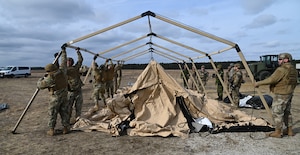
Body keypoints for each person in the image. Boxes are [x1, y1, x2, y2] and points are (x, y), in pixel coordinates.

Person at [255, 53, 298, 138]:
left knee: (277, 112)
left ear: (286, 60)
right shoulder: (293, 69)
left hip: (281, 94)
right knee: (287, 112)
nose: (278, 61)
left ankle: (278, 132)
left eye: (280, 59)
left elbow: (272, 79)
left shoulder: (281, 69)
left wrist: (258, 83)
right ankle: (289, 131)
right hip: (289, 93)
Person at [37, 46, 70, 136]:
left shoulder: (50, 78)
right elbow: (64, 61)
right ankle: (65, 128)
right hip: (64, 97)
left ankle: (51, 130)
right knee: (64, 113)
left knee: (52, 113)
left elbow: (40, 86)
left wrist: (41, 79)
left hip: (55, 98)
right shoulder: (62, 71)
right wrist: (63, 51)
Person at [66, 48, 83, 124]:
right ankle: (67, 120)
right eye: (67, 61)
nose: (68, 62)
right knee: (69, 107)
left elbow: (80, 60)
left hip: (78, 90)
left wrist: (78, 52)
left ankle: (78, 120)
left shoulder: (75, 68)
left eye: (70, 61)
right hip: (70, 91)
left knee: (78, 107)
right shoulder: (65, 70)